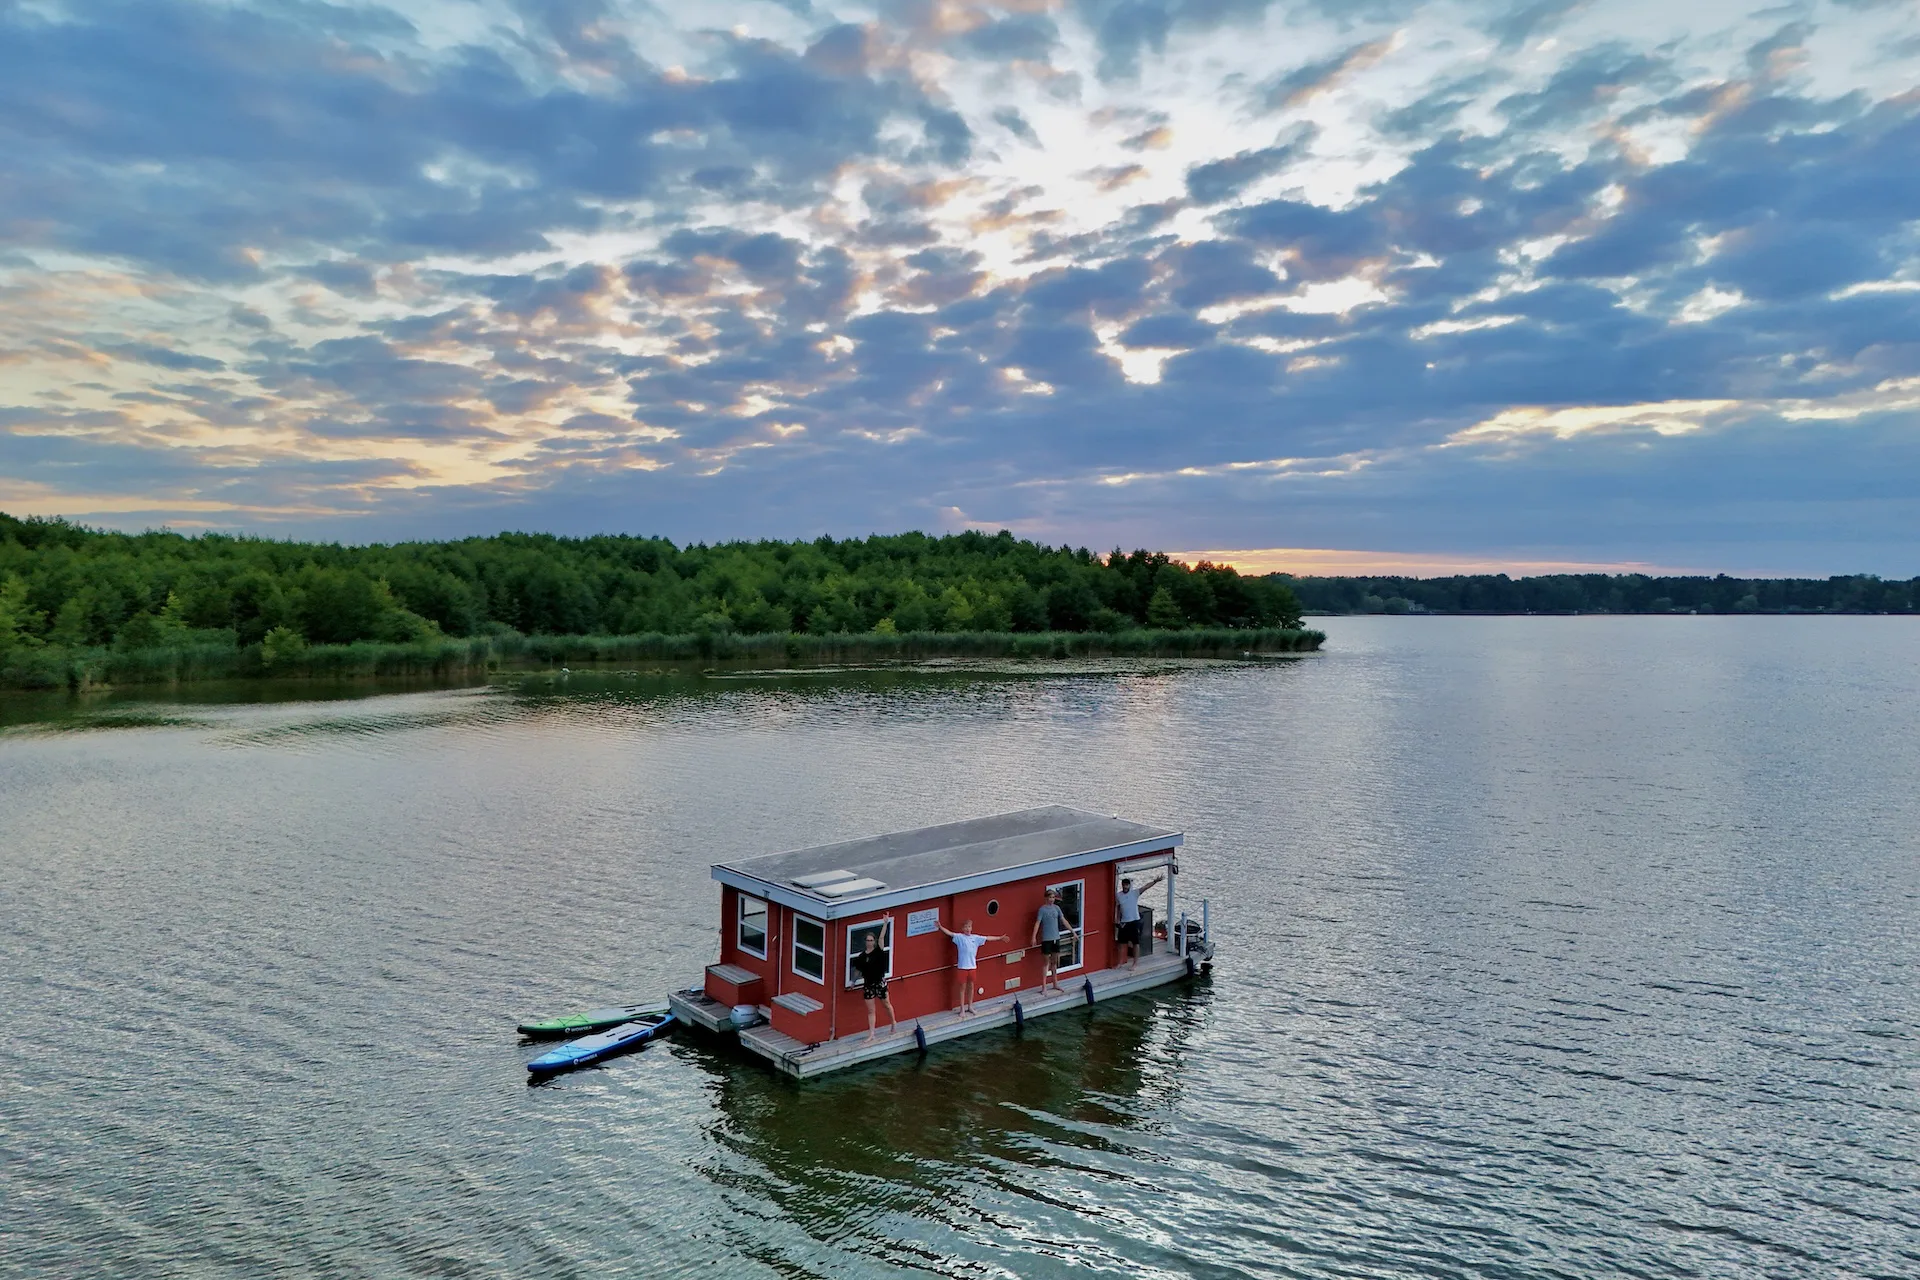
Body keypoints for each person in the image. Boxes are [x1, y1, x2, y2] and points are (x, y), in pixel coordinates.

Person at [938, 918, 1008, 1016]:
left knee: (971, 987)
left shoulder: (976, 938)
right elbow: (950, 933)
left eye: (969, 927)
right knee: (962, 988)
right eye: (966, 927)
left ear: (971, 928)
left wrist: (1000, 938)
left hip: (972, 967)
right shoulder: (960, 937)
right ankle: (962, 1008)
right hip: (962, 967)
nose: (968, 929)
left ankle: (970, 1006)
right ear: (962, 928)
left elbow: (987, 938)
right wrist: (940, 927)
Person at [848, 931, 897, 1042]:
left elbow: (881, 937)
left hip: (879, 982)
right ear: (865, 942)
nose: (869, 942)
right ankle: (871, 1034)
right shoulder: (862, 956)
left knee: (886, 1004)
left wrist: (885, 924)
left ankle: (893, 1022)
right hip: (868, 984)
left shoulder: (878, 952)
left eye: (871, 940)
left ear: (874, 941)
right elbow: (858, 970)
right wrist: (853, 982)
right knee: (871, 1010)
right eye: (867, 940)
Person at [1030, 888, 1075, 994]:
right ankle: (1044, 986)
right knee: (1046, 963)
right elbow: (1037, 923)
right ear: (1046, 898)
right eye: (1050, 897)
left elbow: (1063, 920)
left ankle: (1055, 983)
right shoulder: (1042, 909)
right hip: (1047, 939)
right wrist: (1033, 937)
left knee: (1054, 962)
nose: (1052, 899)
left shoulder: (1057, 908)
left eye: (1053, 897)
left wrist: (1072, 931)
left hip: (1056, 938)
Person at [1115, 873, 1163, 970]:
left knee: (1135, 943)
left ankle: (1135, 963)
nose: (1125, 887)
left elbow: (1145, 887)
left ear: (1129, 885)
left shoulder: (1134, 893)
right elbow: (1118, 908)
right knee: (1121, 943)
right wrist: (1117, 919)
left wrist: (1155, 881)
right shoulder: (1118, 895)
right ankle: (1119, 963)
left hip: (1134, 921)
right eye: (1123, 885)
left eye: (1127, 885)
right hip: (1124, 922)